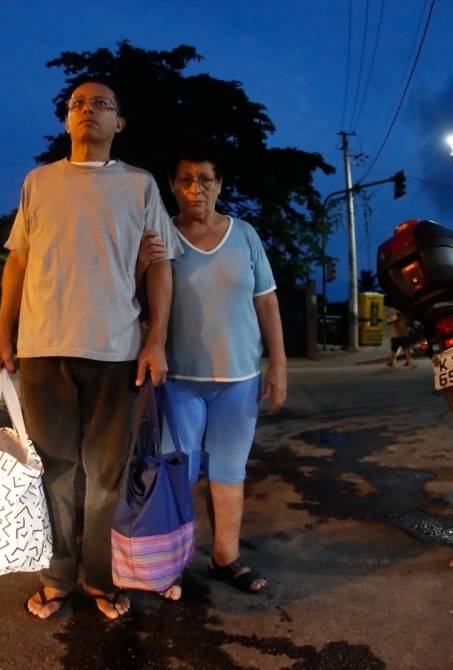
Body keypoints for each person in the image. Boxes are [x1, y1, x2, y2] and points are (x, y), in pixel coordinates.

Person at [0, 81, 181, 621]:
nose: (87, 110)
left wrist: (156, 339)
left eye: (100, 104)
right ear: (66, 121)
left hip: (117, 351)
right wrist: (4, 335)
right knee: (51, 471)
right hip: (44, 348)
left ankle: (98, 578)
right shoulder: (39, 182)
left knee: (105, 477)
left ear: (119, 122)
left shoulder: (139, 186)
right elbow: (18, 262)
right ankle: (56, 578)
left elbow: (161, 266)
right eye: (77, 104)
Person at [137, 146, 286, 596]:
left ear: (220, 185)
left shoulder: (245, 236)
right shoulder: (161, 237)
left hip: (238, 381)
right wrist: (142, 265)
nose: (194, 188)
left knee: (229, 471)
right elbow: (144, 308)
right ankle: (174, 563)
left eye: (204, 179)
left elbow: (267, 301)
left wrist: (277, 364)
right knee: (179, 472)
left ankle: (226, 557)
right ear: (172, 186)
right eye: (184, 179)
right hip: (180, 379)